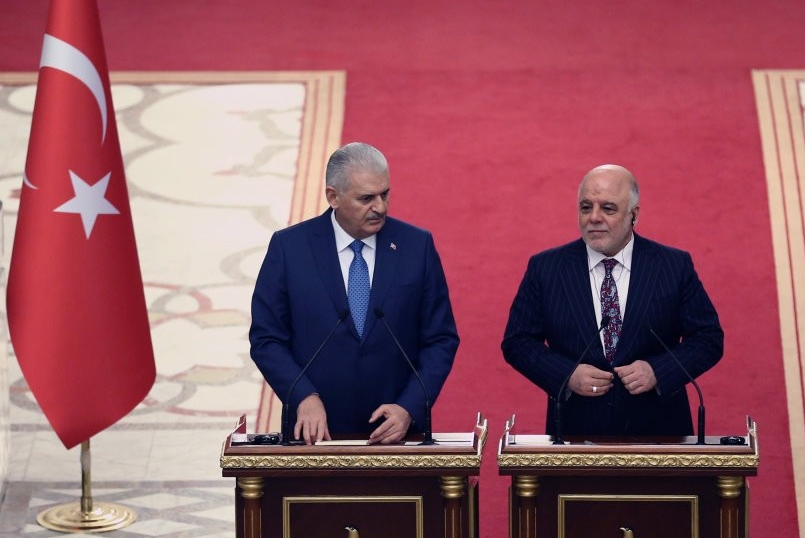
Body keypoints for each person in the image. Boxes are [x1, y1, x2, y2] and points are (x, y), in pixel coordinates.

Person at [250, 142, 459, 445]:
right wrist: (303, 396)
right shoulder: (289, 249)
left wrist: (409, 407)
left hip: (397, 433)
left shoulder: (417, 247)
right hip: (314, 435)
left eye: (385, 194)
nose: (381, 207)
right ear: (333, 196)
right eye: (366, 198)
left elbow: (441, 339)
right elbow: (267, 338)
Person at [501, 164, 723, 438]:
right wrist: (567, 375)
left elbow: (708, 338)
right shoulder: (546, 268)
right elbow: (518, 341)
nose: (594, 218)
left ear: (634, 214)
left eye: (608, 208)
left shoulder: (672, 266)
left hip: (660, 435)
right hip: (575, 434)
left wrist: (658, 371)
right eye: (585, 208)